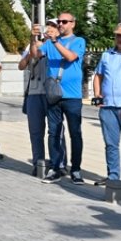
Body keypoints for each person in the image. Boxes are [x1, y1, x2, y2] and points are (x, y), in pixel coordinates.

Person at [37, 12, 86, 183]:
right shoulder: (49, 43)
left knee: (75, 133)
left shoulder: (78, 41)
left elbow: (71, 56)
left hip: (72, 96)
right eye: (59, 21)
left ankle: (76, 169)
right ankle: (55, 167)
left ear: (73, 23)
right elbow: (35, 55)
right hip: (53, 94)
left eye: (65, 21)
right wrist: (33, 37)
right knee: (53, 132)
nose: (61, 24)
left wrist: (55, 41)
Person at [91, 23, 121, 188]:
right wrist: (97, 94)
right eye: (118, 35)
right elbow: (98, 76)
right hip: (108, 107)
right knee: (111, 144)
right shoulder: (107, 55)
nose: (120, 39)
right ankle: (113, 175)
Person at [19, 21, 55, 171]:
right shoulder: (33, 45)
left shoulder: (57, 45)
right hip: (34, 92)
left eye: (52, 27)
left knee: (55, 131)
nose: (48, 30)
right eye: (47, 27)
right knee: (35, 131)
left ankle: (57, 163)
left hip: (52, 92)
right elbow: (21, 65)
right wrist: (32, 44)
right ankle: (38, 162)